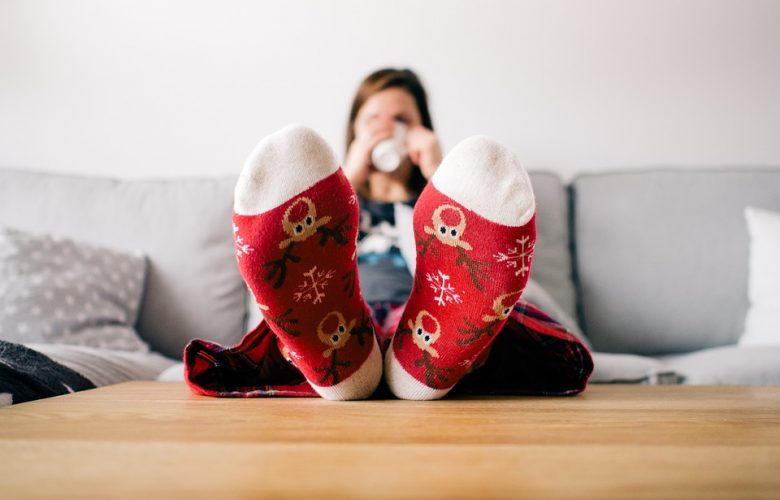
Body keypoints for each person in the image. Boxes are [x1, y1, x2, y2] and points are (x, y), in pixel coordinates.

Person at [183, 68, 593, 401]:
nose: (388, 130)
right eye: (374, 121)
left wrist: (439, 173)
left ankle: (410, 362)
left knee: (479, 322)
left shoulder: (456, 206)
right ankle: (355, 362)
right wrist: (349, 178)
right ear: (354, 135)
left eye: (403, 121)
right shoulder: (328, 205)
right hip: (337, 314)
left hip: (430, 315)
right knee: (303, 324)